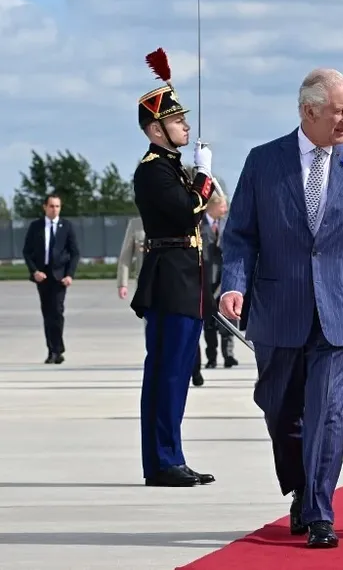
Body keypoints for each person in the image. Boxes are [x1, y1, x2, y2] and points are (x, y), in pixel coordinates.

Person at [220, 68, 343, 549]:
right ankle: (301, 485)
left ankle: (319, 510)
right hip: (277, 308)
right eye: (340, 110)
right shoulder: (262, 162)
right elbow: (239, 237)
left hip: (341, 310)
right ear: (308, 111)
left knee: (328, 412)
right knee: (279, 410)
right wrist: (232, 286)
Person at [129, 47, 216, 487]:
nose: (186, 126)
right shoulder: (152, 172)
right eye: (177, 121)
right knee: (166, 374)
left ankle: (171, 456)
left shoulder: (173, 169)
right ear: (155, 129)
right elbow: (186, 214)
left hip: (187, 281)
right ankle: (163, 461)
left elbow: (206, 209)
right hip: (169, 282)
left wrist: (199, 178)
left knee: (178, 375)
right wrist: (202, 176)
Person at [119, 212, 205, 387]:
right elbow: (126, 255)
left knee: (182, 328)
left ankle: (191, 369)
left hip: (173, 282)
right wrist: (122, 282)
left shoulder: (174, 219)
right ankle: (159, 367)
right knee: (152, 329)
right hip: (147, 284)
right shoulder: (136, 224)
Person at [22, 194, 79, 364]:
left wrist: (70, 274)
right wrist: (34, 271)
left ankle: (57, 349)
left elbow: (74, 252)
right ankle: (52, 350)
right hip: (43, 276)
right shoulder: (36, 227)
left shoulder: (66, 226)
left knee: (57, 312)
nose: (55, 210)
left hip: (59, 276)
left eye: (57, 206)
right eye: (52, 206)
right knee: (48, 314)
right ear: (45, 207)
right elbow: (27, 252)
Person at [201, 192, 237, 369]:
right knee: (209, 322)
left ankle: (229, 354)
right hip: (206, 280)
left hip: (225, 279)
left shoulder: (227, 224)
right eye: (222, 206)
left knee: (228, 319)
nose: (225, 209)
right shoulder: (199, 225)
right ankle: (212, 357)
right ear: (212, 206)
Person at [117, 216, 145, 300]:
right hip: (144, 283)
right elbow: (126, 256)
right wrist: (123, 284)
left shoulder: (173, 222)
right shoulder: (136, 224)